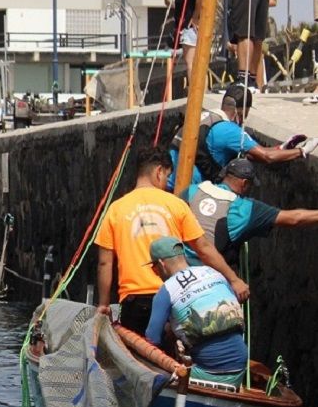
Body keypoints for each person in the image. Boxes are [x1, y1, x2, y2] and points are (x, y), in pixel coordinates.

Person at [95, 145, 247, 336]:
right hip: (175, 295)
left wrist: (103, 304)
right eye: (167, 176)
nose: (167, 182)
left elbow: (104, 262)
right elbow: (204, 249)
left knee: (138, 358)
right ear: (159, 172)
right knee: (176, 359)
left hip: (134, 301)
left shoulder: (115, 210)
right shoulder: (176, 204)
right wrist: (233, 279)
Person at [183, 157, 318, 266]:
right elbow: (295, 218)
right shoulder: (245, 209)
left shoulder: (192, 190)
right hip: (211, 273)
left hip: (179, 264)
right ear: (245, 183)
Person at [143, 237, 247, 377]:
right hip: (241, 362)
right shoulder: (213, 273)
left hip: (209, 369)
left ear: (161, 264)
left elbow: (152, 339)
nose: (156, 273)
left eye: (154, 269)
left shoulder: (166, 290)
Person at [204, 85, 302, 173]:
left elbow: (252, 153)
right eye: (245, 115)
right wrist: (302, 151)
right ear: (241, 112)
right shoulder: (230, 131)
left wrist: (281, 148)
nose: (244, 120)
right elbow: (267, 156)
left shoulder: (207, 116)